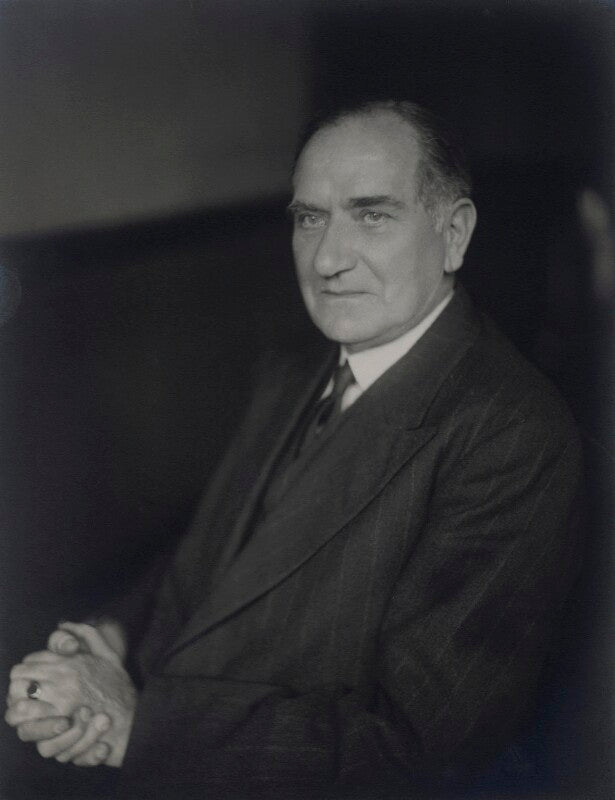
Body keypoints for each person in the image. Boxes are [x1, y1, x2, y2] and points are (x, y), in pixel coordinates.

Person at [5, 100, 582, 799]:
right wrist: (106, 643)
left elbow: (422, 752)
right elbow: (208, 562)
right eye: (310, 218)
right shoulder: (293, 372)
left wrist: (137, 724)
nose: (328, 259)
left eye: (372, 215)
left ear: (453, 234)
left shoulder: (512, 433)